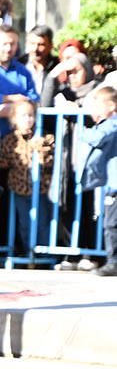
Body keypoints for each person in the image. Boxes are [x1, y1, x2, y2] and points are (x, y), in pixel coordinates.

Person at [0, 97, 54, 258]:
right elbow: (2, 162)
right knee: (24, 223)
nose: (28, 119)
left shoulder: (45, 137)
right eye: (23, 116)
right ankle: (27, 251)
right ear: (15, 119)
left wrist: (40, 148)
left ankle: (43, 253)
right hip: (19, 187)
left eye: (30, 115)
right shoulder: (10, 140)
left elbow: (50, 162)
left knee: (42, 222)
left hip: (40, 187)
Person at [77, 86, 117, 276]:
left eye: (98, 105)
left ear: (112, 106)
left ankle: (113, 261)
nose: (95, 109)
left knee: (110, 224)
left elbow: (94, 137)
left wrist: (88, 127)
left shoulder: (112, 124)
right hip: (112, 183)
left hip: (115, 185)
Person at [0, 26, 39, 133]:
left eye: (12, 44)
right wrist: (16, 98)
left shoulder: (22, 71)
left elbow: (33, 100)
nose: (8, 48)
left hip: (20, 139)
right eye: (4, 44)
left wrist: (10, 108)